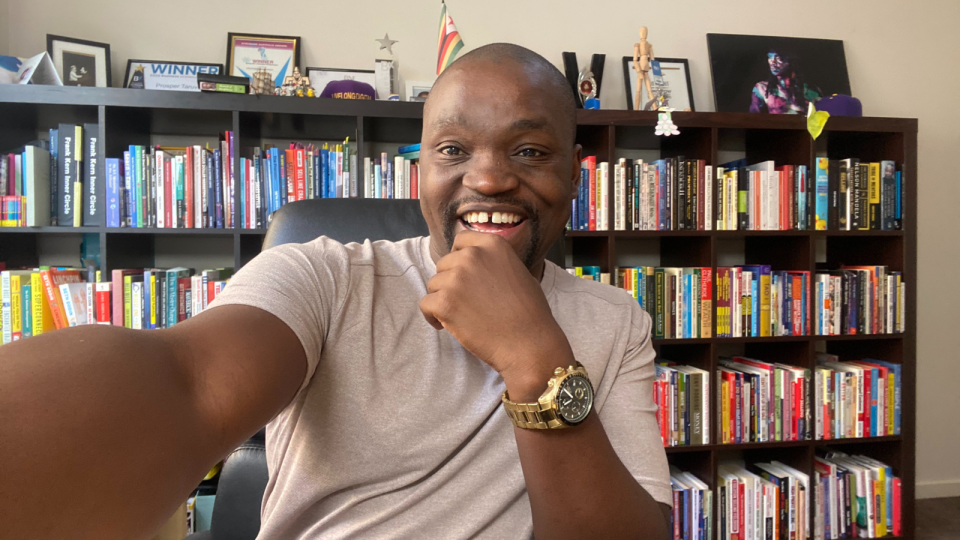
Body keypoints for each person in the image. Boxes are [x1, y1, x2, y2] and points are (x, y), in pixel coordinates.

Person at [0, 43, 672, 540]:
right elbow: (188, 380)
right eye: (452, 150)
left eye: (529, 151)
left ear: (577, 176)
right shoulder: (322, 276)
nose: (489, 179)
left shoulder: (617, 322)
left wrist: (535, 358)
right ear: (419, 173)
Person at [749, 48, 821, 114]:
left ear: (790, 61)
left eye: (778, 58)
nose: (773, 62)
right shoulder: (762, 88)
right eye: (770, 57)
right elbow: (753, 119)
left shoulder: (811, 90)